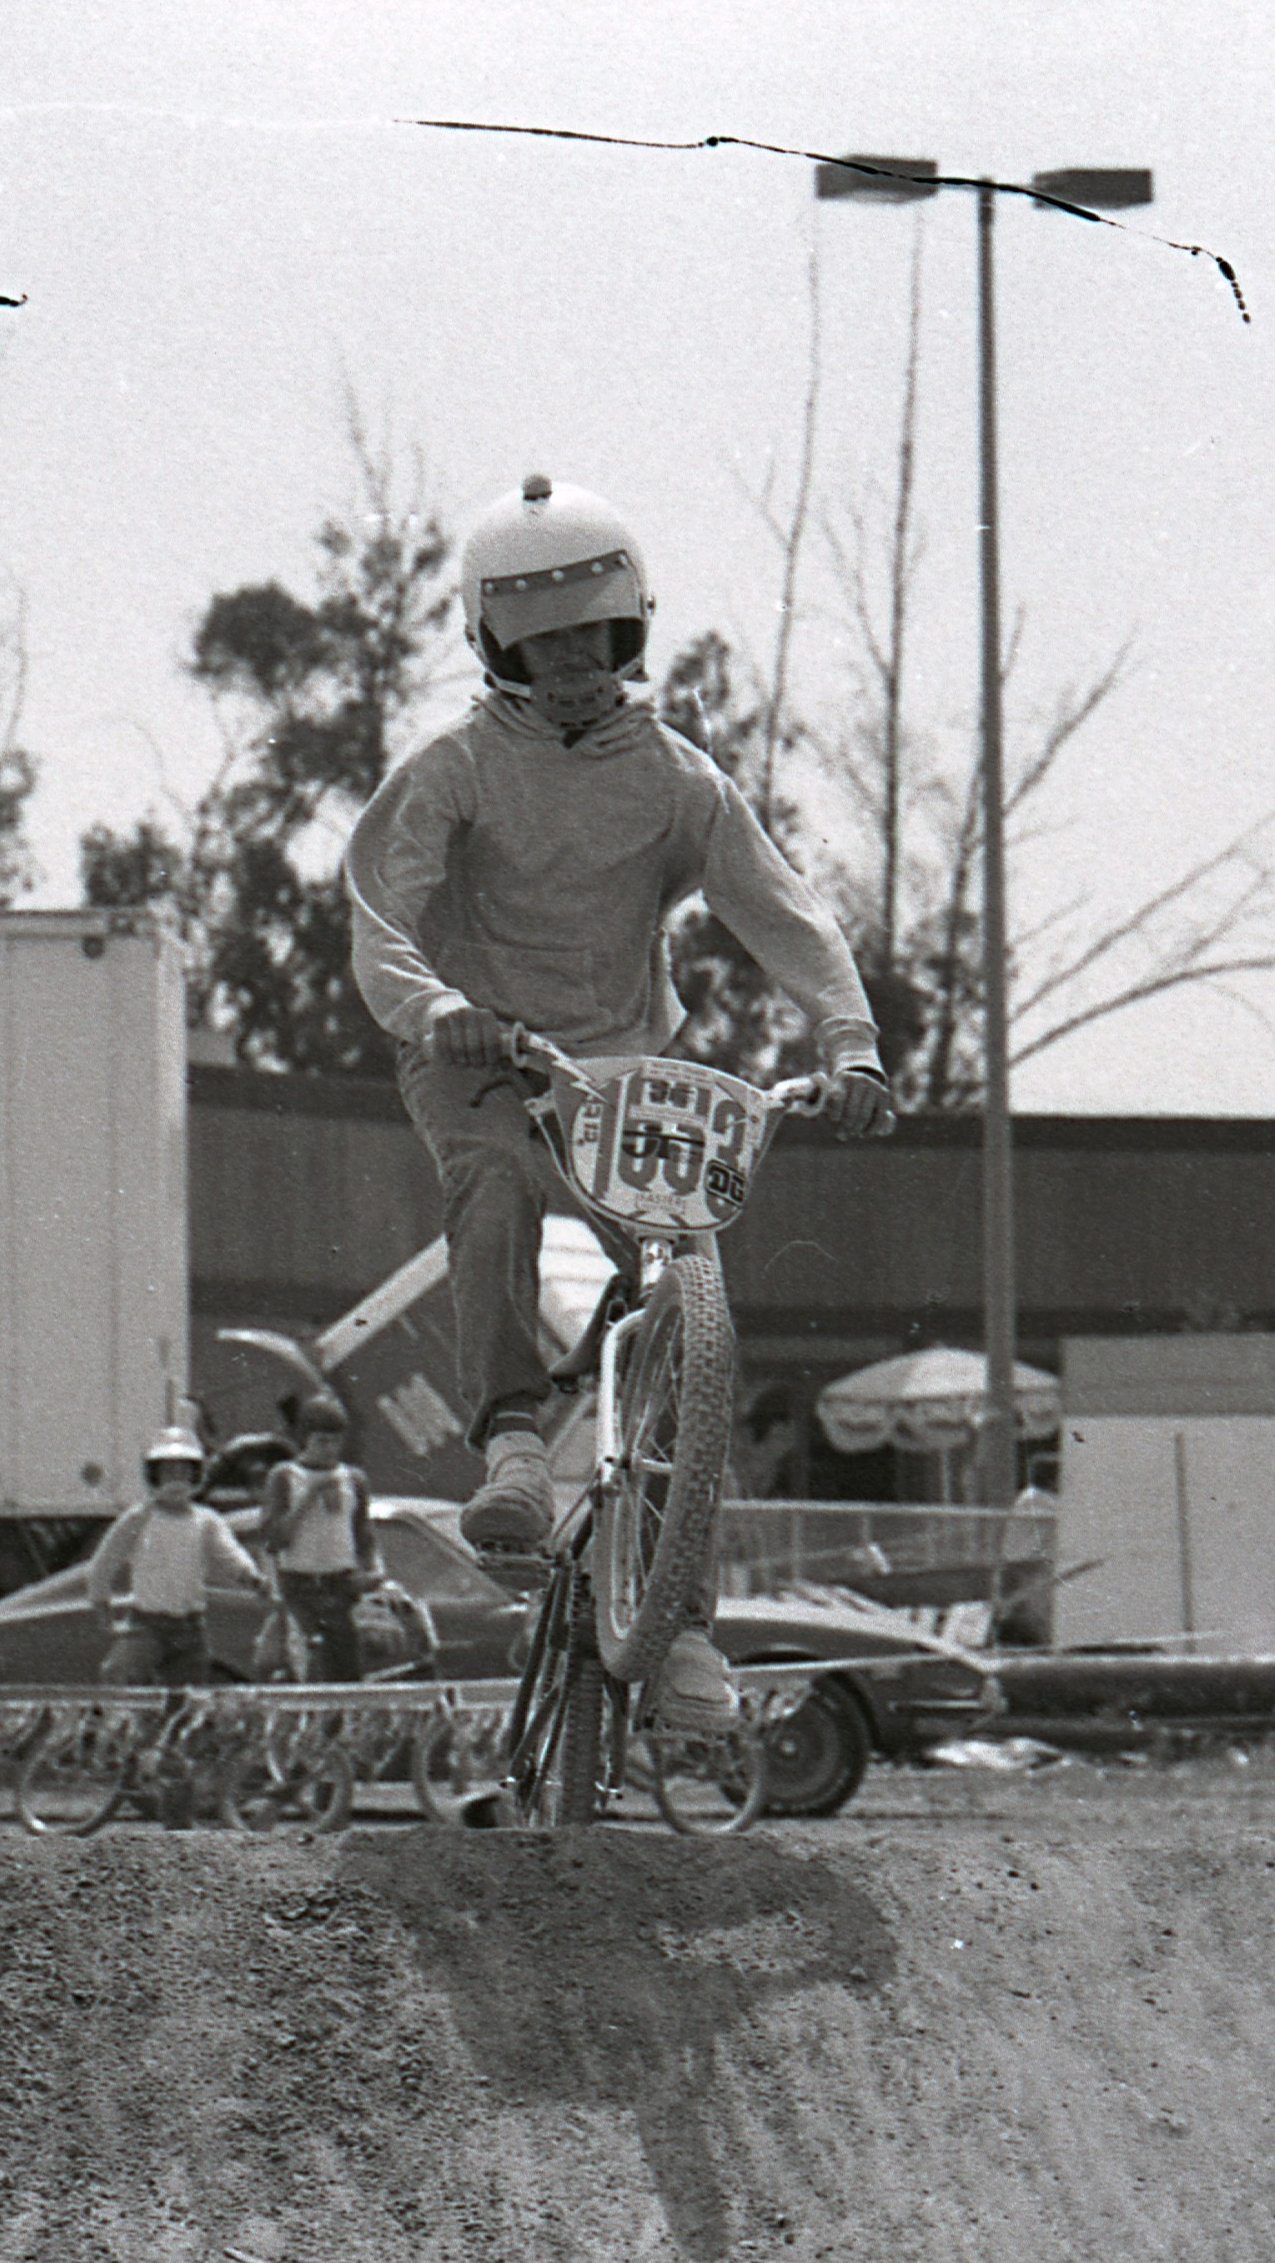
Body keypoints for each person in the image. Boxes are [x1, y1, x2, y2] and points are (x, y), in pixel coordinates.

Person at [346, 474, 896, 1729]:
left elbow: (785, 911)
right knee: (488, 1188)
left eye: (596, 634)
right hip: (479, 1051)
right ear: (496, 644)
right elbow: (380, 918)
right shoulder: (453, 769)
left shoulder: (677, 781)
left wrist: (850, 1045)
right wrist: (437, 1009)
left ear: (631, 630)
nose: (577, 662)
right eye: (545, 642)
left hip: (622, 1064)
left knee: (689, 1303)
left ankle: (681, 1620)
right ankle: (513, 1443)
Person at [89, 1427, 270, 1687]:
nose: (176, 1481)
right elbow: (103, 1565)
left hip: (190, 1628)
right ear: (154, 1476)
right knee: (119, 1673)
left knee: (187, 1700)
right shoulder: (138, 1518)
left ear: (196, 1475)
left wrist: (252, 1578)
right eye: (168, 1473)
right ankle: (121, 1726)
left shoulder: (206, 1521)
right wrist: (103, 1611)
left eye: (184, 1472)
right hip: (147, 1625)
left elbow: (230, 1555)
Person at [249, 1394, 382, 1683]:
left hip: (342, 1584)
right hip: (301, 1585)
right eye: (321, 1441)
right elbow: (273, 1538)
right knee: (312, 1667)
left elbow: (363, 1534)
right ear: (305, 1439)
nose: (329, 1450)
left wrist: (373, 1570)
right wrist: (308, 1498)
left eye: (335, 1441)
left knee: (348, 1668)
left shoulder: (353, 1479)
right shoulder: (285, 1476)